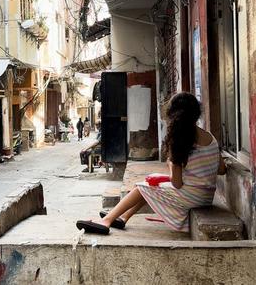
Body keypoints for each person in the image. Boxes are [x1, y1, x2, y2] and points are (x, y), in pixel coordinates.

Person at [76, 92, 226, 234]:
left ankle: (106, 221)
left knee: (141, 188)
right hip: (206, 197)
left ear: (173, 115)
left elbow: (177, 183)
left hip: (192, 197)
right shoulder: (211, 138)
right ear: (196, 113)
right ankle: (123, 217)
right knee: (150, 186)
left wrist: (170, 163)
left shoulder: (179, 140)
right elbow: (221, 169)